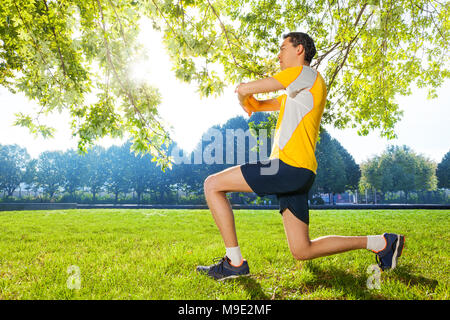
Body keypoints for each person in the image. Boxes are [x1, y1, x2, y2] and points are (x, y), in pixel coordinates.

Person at [196, 32, 405, 281]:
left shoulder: (307, 74)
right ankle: (382, 243)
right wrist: (247, 98)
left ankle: (234, 263)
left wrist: (243, 93)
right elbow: (255, 105)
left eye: (283, 48)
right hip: (299, 172)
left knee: (213, 185)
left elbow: (247, 89)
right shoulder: (295, 95)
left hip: (286, 166)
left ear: (300, 50)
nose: (278, 55)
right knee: (301, 250)